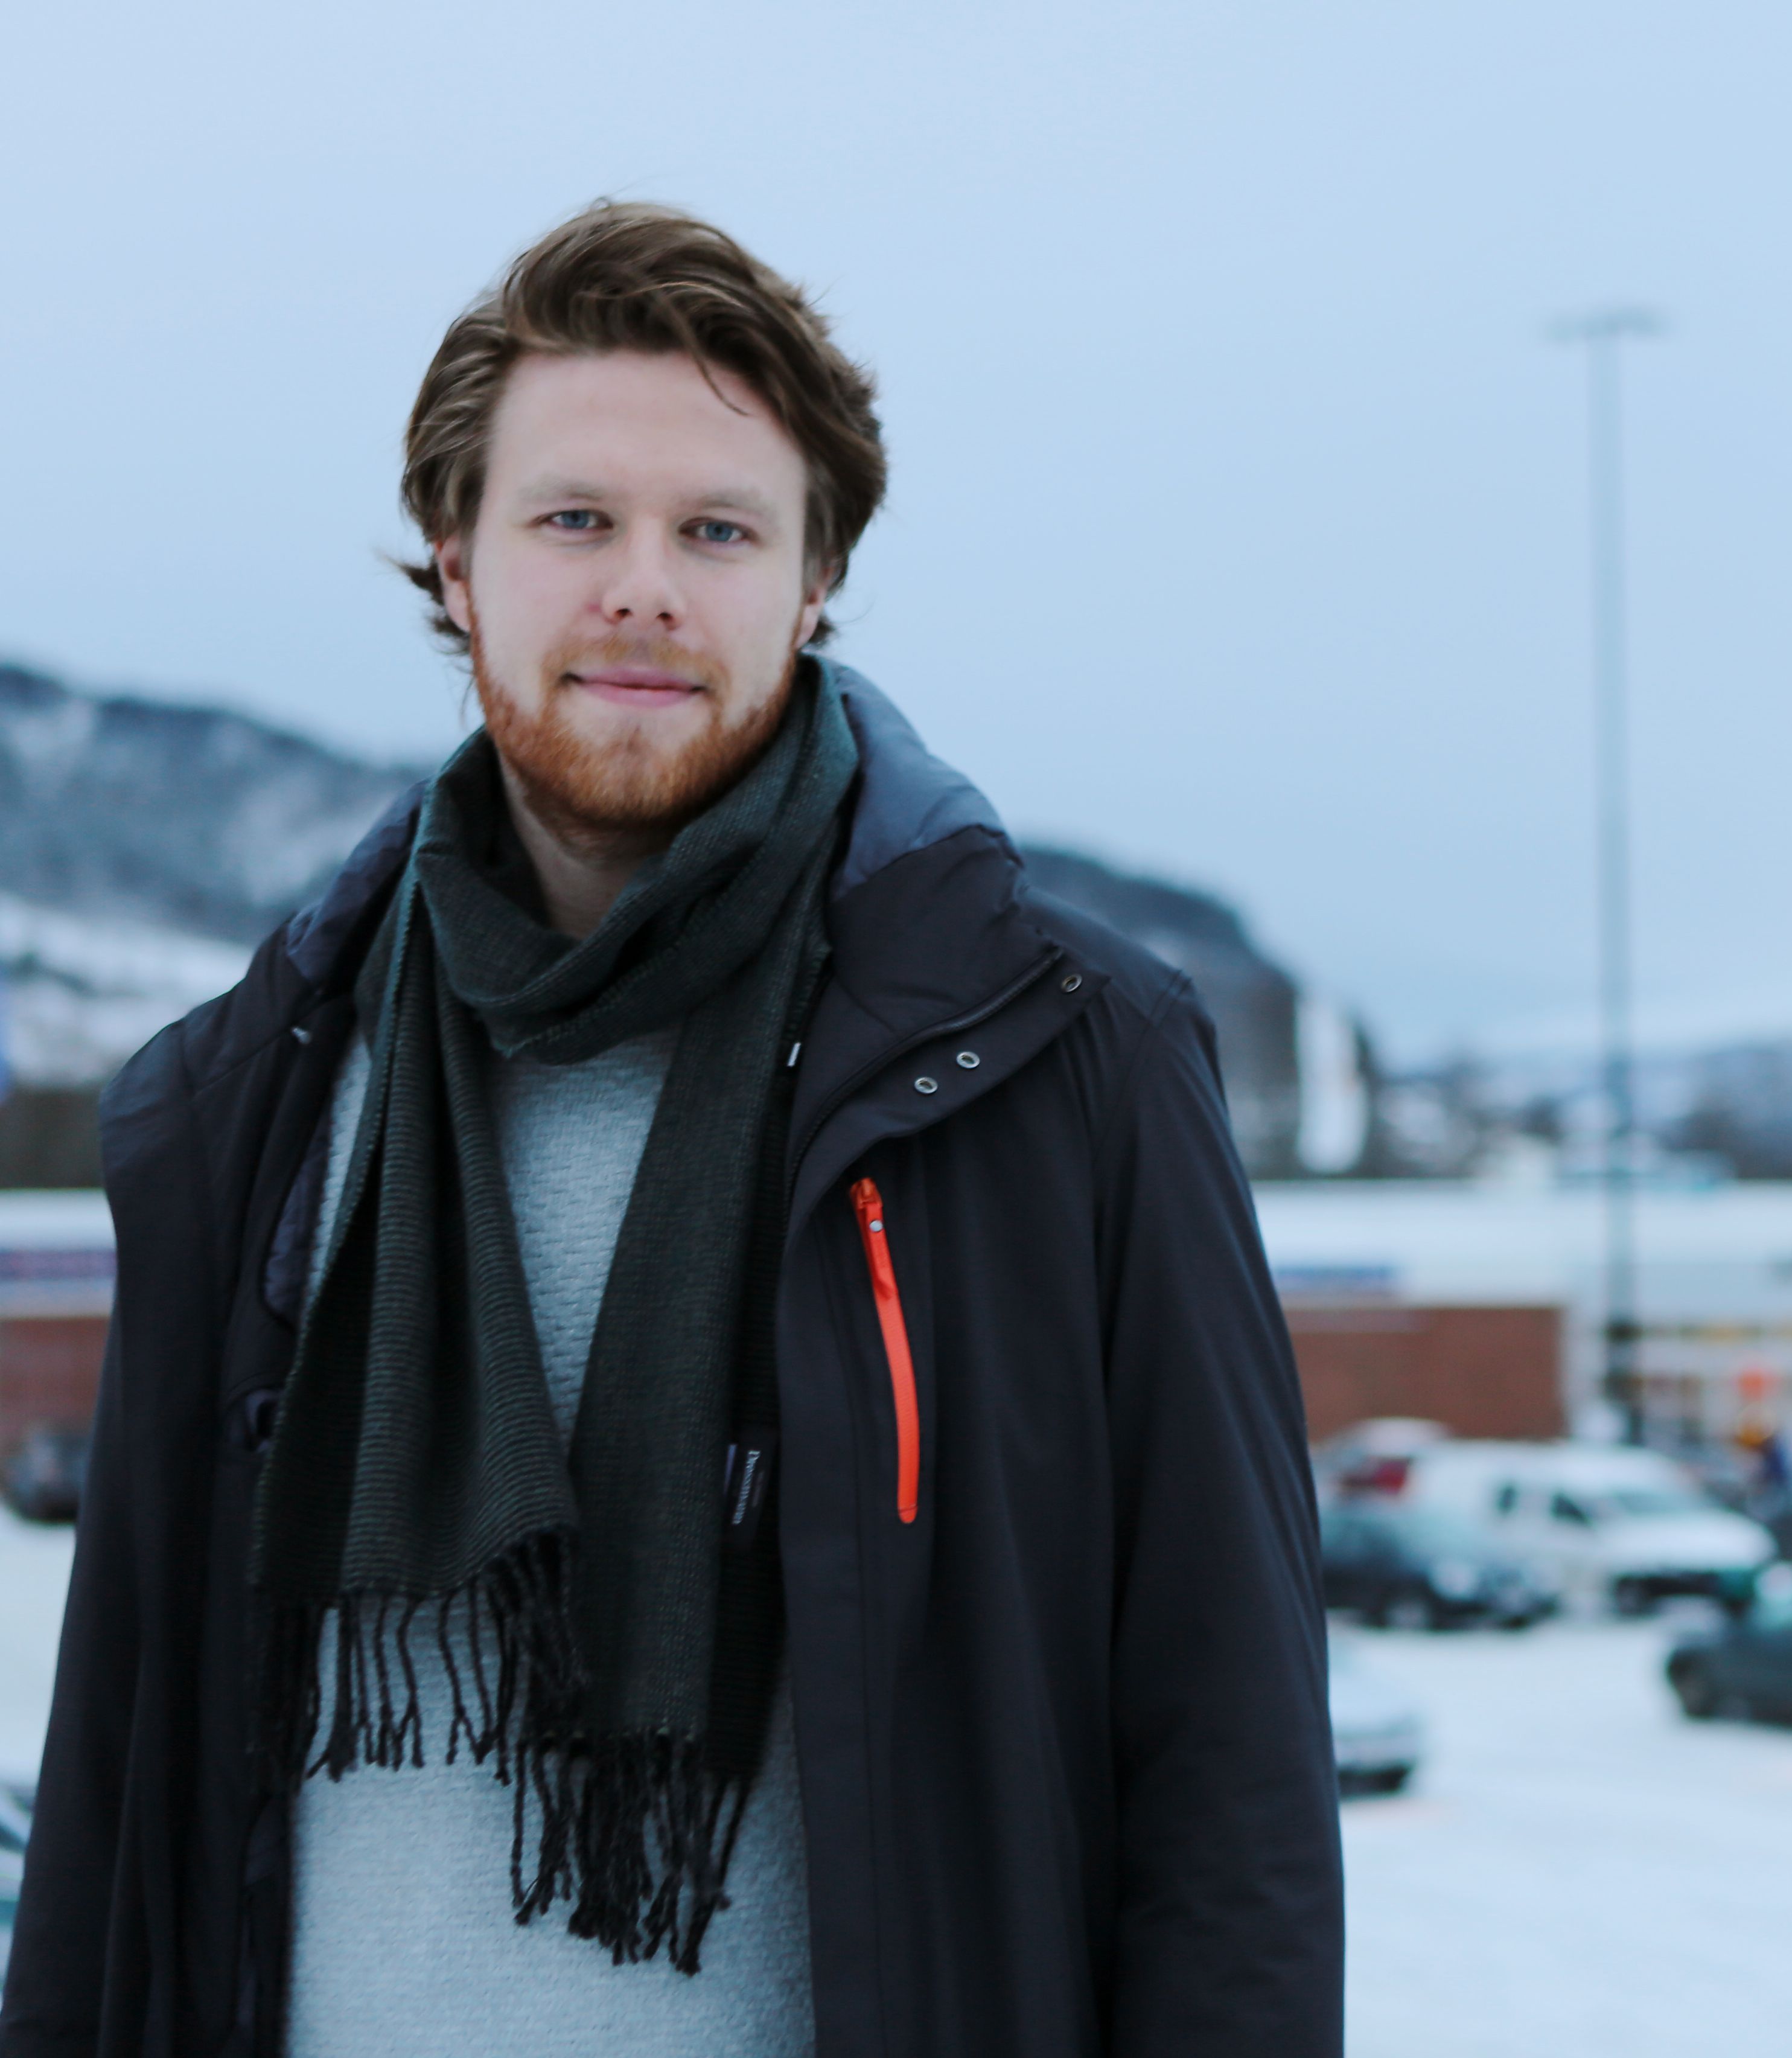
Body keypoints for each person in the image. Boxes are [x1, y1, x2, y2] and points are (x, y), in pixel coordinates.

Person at [0, 204, 1339, 2057]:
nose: (642, 587)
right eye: (574, 520)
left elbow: (1231, 1763)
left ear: (813, 582)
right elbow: (117, 1768)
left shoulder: (1062, 1059)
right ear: (457, 562)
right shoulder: (255, 1093)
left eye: (717, 530)